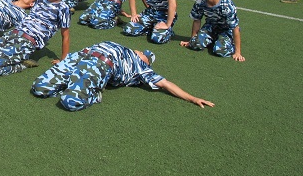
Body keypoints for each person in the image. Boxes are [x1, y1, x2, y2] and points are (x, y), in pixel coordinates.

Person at [31, 41, 215, 112]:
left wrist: (192, 98)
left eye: (145, 55)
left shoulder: (142, 67)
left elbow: (166, 83)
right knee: (39, 88)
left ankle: (93, 94)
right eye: (141, 51)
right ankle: (72, 82)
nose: (141, 52)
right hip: (81, 56)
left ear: (146, 60)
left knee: (70, 102)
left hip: (101, 65)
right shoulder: (125, 49)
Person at [179, 0, 245, 61]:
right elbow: (197, 21)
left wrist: (238, 52)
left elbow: (235, 28)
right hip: (210, 27)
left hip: (226, 30)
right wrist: (192, 40)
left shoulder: (226, 5)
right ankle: (214, 40)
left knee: (220, 51)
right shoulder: (200, 2)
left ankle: (227, 42)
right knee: (195, 44)